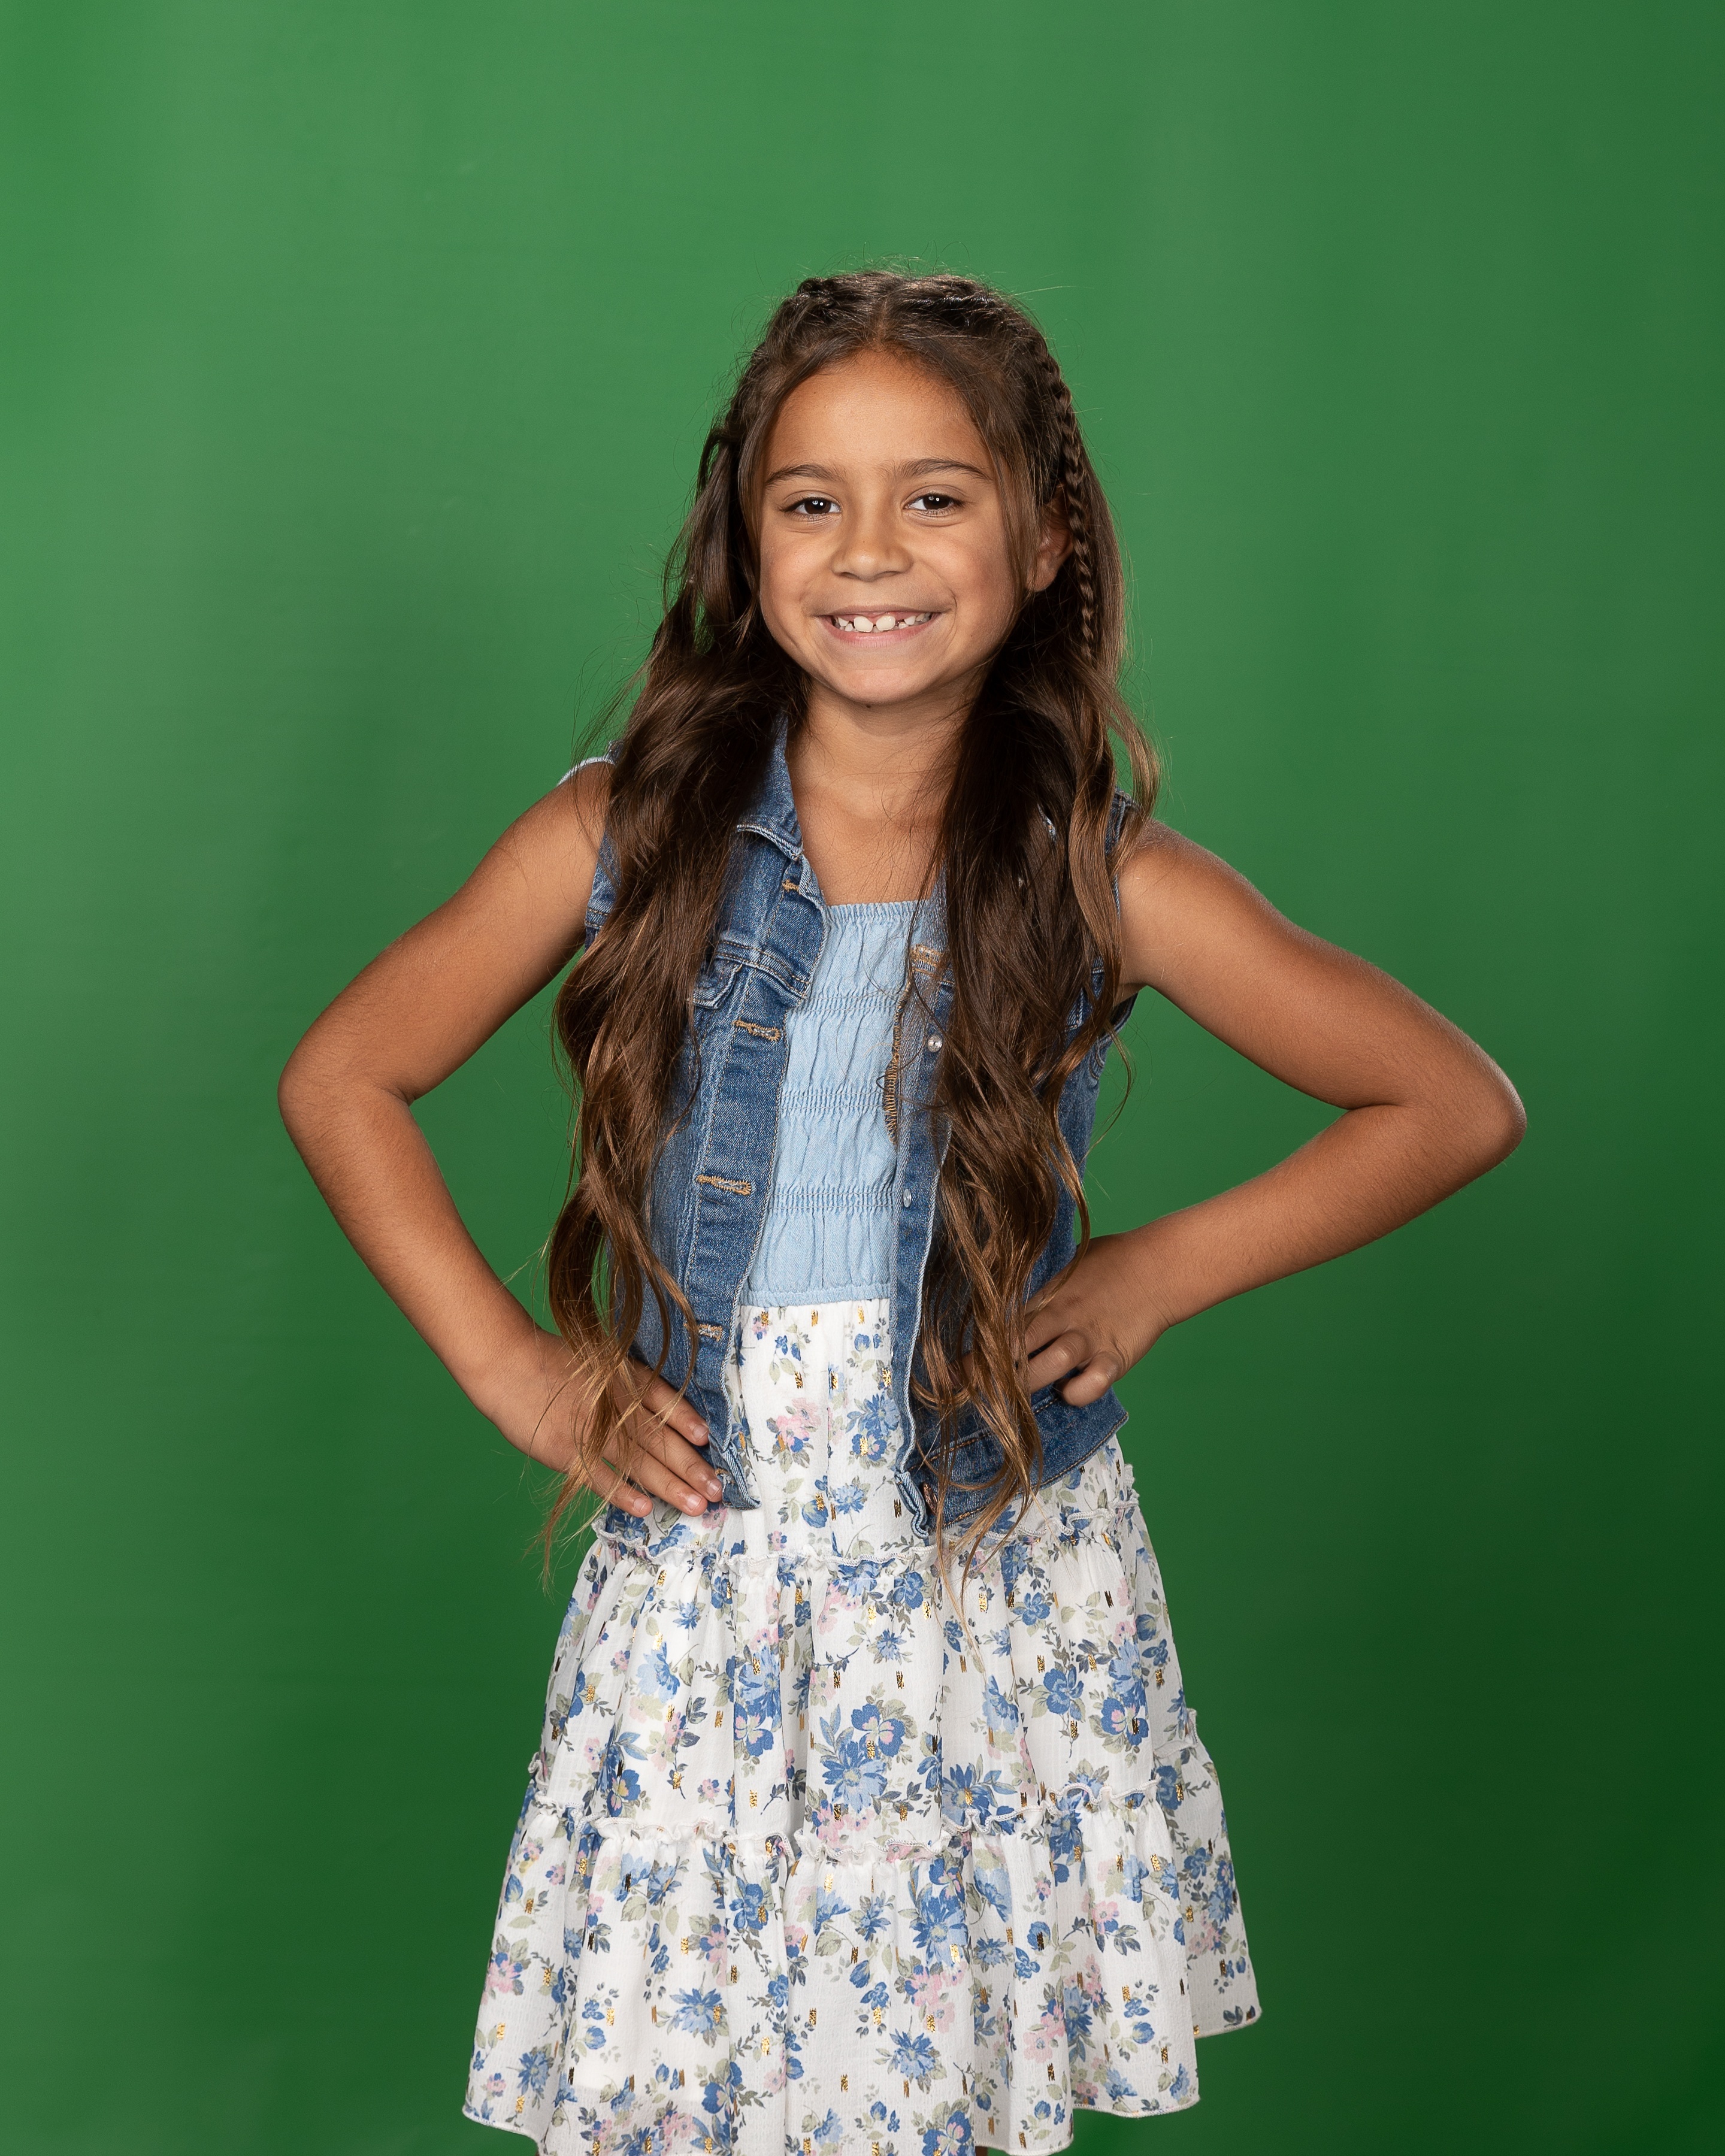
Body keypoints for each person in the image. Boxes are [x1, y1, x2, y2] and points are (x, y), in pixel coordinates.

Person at [279, 271, 1523, 2155]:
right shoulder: (618, 837)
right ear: (747, 539)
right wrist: (518, 1372)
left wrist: (1162, 1269)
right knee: (708, 2078)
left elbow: (1450, 1101)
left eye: (935, 496)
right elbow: (346, 1074)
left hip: (979, 1566)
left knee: (934, 2071)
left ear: (1043, 540)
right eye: (813, 501)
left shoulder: (1097, 870)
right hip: (722, 1564)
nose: (871, 548)